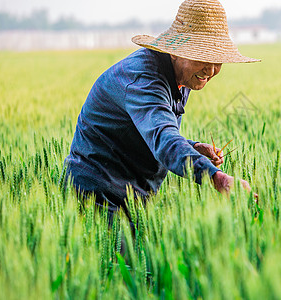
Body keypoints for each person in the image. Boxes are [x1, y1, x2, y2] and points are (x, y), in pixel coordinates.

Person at [64, 0, 260, 218]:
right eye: (203, 58)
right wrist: (216, 177)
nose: (211, 70)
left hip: (134, 196)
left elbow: (147, 131)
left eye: (218, 61)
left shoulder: (182, 76)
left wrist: (192, 146)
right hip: (99, 197)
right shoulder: (144, 81)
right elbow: (163, 139)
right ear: (175, 52)